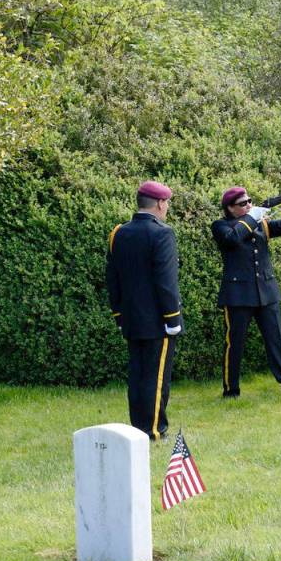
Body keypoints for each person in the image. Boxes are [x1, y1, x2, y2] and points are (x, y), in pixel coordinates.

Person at [211, 186, 281, 397]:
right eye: (242, 203)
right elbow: (232, 238)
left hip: (266, 291)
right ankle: (231, 389)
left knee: (277, 340)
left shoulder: (259, 224)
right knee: (234, 344)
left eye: (249, 201)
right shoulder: (221, 226)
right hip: (238, 295)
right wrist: (252, 217)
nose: (248, 205)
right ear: (230, 208)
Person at [106, 180, 182, 441]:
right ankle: (153, 430)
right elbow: (166, 281)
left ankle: (137, 427)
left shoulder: (119, 233)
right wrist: (173, 317)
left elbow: (112, 279)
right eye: (167, 203)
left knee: (138, 374)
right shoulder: (162, 233)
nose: (168, 207)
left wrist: (118, 314)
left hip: (130, 318)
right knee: (156, 377)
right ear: (160, 203)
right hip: (157, 320)